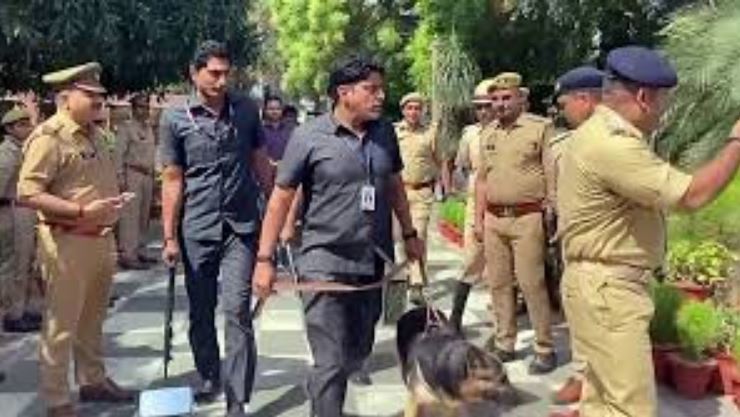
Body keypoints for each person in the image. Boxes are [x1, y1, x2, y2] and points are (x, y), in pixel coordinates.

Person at [558, 46, 740, 417]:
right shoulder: (612, 145)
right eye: (664, 100)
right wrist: (737, 142)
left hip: (596, 285)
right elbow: (692, 195)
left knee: (601, 401)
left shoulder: (596, 132)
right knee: (631, 408)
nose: (665, 110)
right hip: (609, 292)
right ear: (644, 97)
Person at [252, 56, 424, 417]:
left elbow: (395, 186)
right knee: (329, 361)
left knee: (357, 350)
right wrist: (265, 259)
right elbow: (281, 198)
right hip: (323, 260)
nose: (381, 96)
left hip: (372, 259)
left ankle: (325, 387)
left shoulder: (384, 133)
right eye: (371, 89)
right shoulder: (308, 136)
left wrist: (410, 235)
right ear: (344, 93)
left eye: (381, 89)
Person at [158, 40, 273, 417]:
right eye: (213, 73)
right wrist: (169, 237)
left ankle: (237, 398)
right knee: (201, 310)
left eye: (226, 73)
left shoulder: (246, 110)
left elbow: (260, 162)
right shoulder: (174, 118)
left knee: (237, 310)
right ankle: (209, 374)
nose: (222, 81)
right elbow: (172, 179)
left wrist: (278, 212)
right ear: (194, 73)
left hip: (241, 226)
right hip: (197, 227)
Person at [17, 62, 136, 417]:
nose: (99, 102)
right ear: (65, 98)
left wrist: (112, 203)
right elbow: (28, 192)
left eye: (100, 95)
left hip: (100, 240)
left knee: (92, 320)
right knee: (61, 325)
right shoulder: (49, 137)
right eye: (90, 95)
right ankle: (57, 401)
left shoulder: (96, 134)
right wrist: (80, 211)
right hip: (67, 242)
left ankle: (92, 380)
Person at [475, 72, 557, 374]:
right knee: (498, 283)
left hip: (527, 217)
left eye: (506, 98)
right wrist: (478, 219)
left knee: (531, 283)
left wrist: (553, 208)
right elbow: (482, 180)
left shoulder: (540, 128)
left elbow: (551, 171)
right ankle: (504, 342)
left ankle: (544, 347)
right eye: (495, 99)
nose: (500, 104)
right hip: (494, 218)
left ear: (520, 99)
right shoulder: (488, 133)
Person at [547, 66, 605, 406]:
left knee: (605, 321)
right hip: (573, 243)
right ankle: (582, 375)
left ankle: (603, 390)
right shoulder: (565, 143)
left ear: (585, 99)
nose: (561, 111)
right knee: (577, 314)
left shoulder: (617, 142)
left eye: (564, 103)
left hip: (605, 250)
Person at [448, 79, 496, 332]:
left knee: (503, 266)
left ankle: (503, 320)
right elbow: (461, 167)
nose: (484, 111)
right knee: (471, 260)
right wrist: (460, 192)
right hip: (475, 202)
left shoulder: (511, 132)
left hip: (505, 201)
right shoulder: (470, 134)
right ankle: (455, 317)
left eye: (488, 105)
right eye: (479, 107)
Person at [394, 92, 449, 305]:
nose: (413, 112)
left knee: (418, 236)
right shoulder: (395, 132)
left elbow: (441, 161)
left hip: (422, 193)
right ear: (403, 110)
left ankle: (416, 284)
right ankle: (410, 277)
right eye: (409, 108)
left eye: (417, 108)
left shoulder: (431, 133)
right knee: (400, 240)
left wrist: (445, 188)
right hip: (398, 192)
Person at [0, 106, 42, 333]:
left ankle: (25, 308)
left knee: (28, 263)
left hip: (26, 211)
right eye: (21, 125)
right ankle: (12, 314)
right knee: (16, 264)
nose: (27, 128)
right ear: (9, 129)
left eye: (28, 124)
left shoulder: (23, 149)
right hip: (13, 212)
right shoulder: (7, 152)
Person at [115, 93, 157, 269]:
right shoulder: (126, 128)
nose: (144, 110)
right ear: (133, 109)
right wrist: (120, 177)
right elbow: (119, 154)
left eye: (146, 107)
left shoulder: (149, 128)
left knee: (144, 216)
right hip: (132, 174)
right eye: (140, 107)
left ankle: (141, 250)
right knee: (130, 216)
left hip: (147, 175)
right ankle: (127, 254)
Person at [262, 95, 295, 163]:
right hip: (264, 168)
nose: (275, 112)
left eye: (278, 109)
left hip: (286, 167)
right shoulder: (259, 130)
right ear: (265, 110)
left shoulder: (290, 130)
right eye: (271, 109)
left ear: (282, 110)